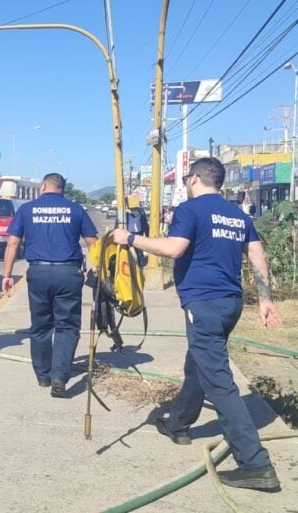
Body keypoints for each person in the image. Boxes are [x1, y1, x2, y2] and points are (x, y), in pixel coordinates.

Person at [110, 156, 283, 493]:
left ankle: (255, 463)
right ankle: (178, 424)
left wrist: (130, 239)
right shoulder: (237, 214)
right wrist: (265, 299)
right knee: (199, 366)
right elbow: (257, 255)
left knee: (220, 383)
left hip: (204, 305)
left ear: (193, 180)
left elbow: (174, 249)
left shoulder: (190, 211)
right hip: (230, 304)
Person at [2, 173, 97, 398]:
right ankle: (59, 376)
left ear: (43, 186)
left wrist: (7, 274)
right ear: (62, 189)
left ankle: (43, 376)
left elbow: (12, 242)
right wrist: (97, 268)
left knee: (41, 325)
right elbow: (93, 243)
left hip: (39, 272)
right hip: (68, 273)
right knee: (67, 326)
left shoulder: (27, 209)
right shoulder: (75, 209)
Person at [125, 195, 150, 268]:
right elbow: (145, 224)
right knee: (138, 251)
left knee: (137, 251)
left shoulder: (126, 213)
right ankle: (140, 265)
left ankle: (139, 265)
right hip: (136, 234)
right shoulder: (141, 212)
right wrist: (147, 234)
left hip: (131, 234)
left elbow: (144, 224)